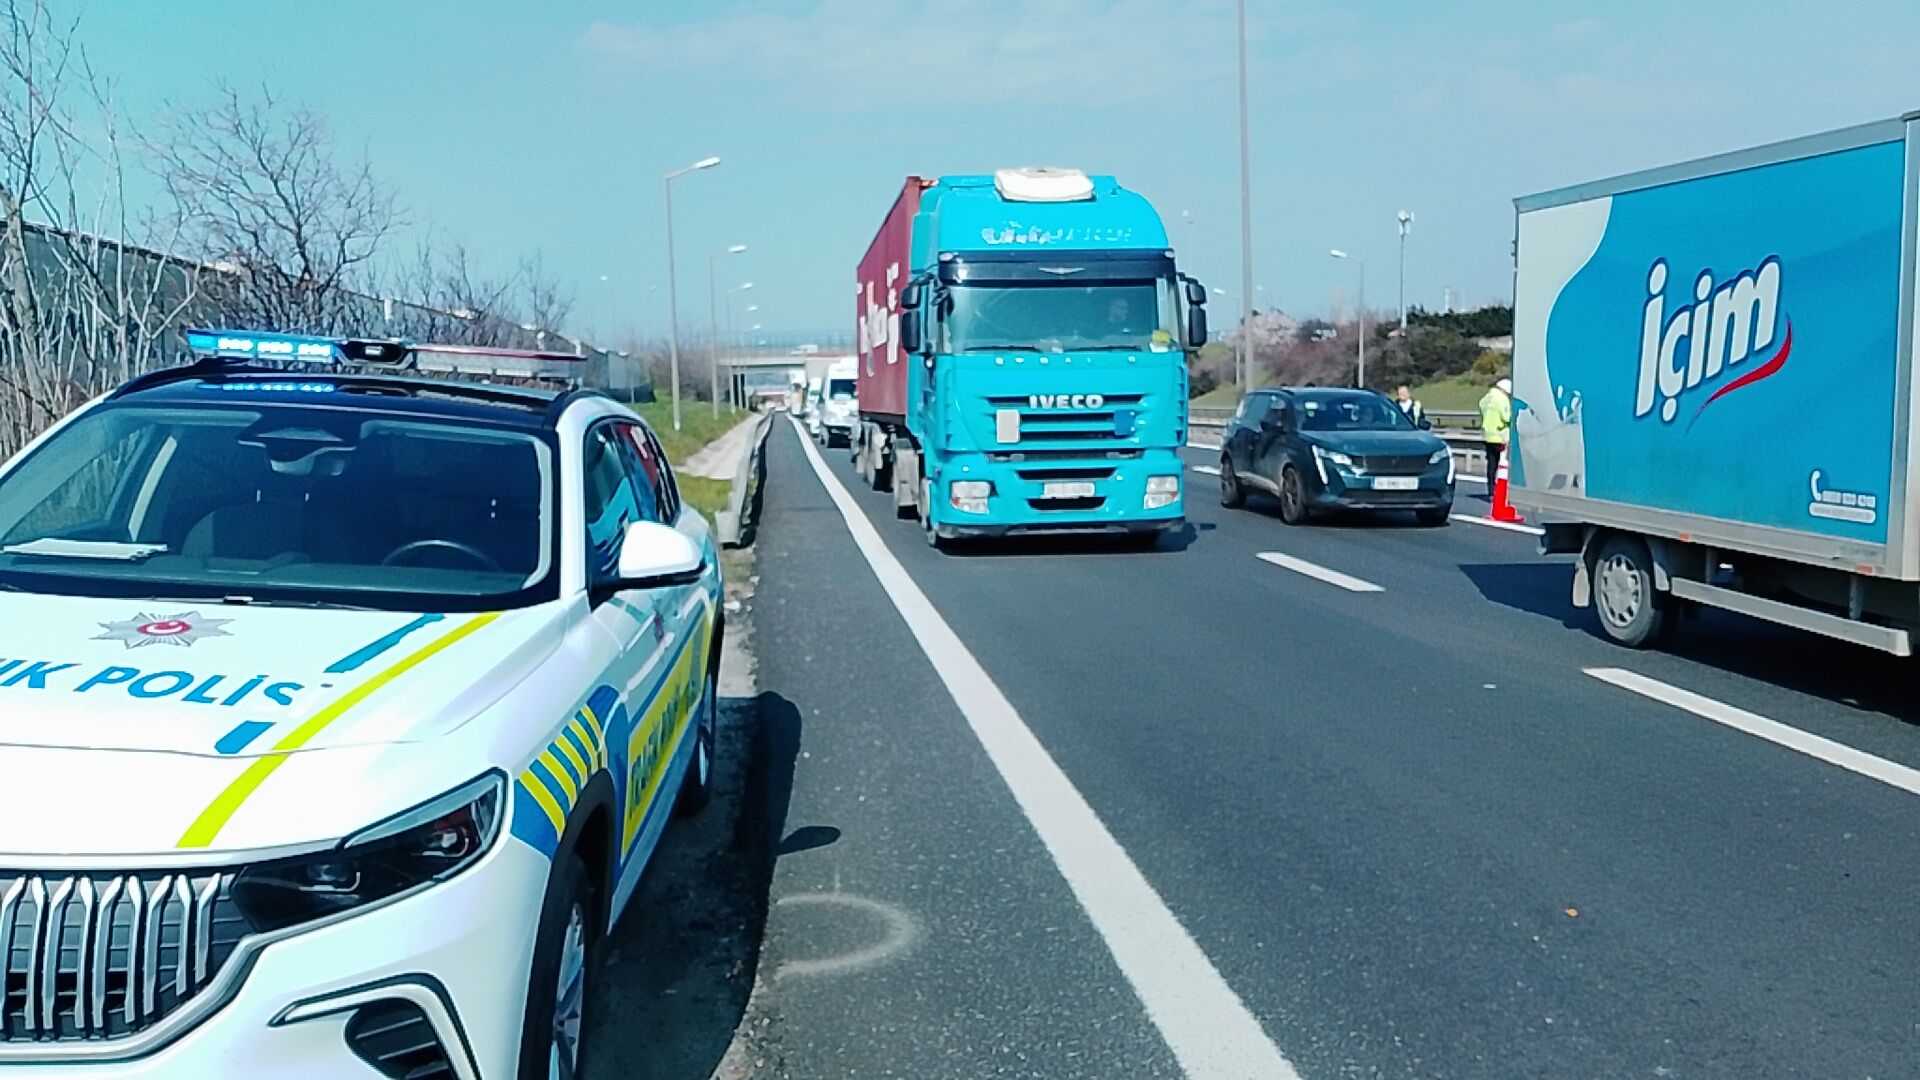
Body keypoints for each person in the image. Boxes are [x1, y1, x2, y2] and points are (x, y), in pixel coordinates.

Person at [1479, 376, 1514, 496]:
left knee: (1491, 465)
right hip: (1500, 437)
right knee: (1503, 466)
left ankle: (1490, 489)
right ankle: (1501, 491)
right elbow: (1507, 417)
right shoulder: (1502, 399)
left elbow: (1481, 408)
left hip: (1487, 436)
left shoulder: (1487, 398)